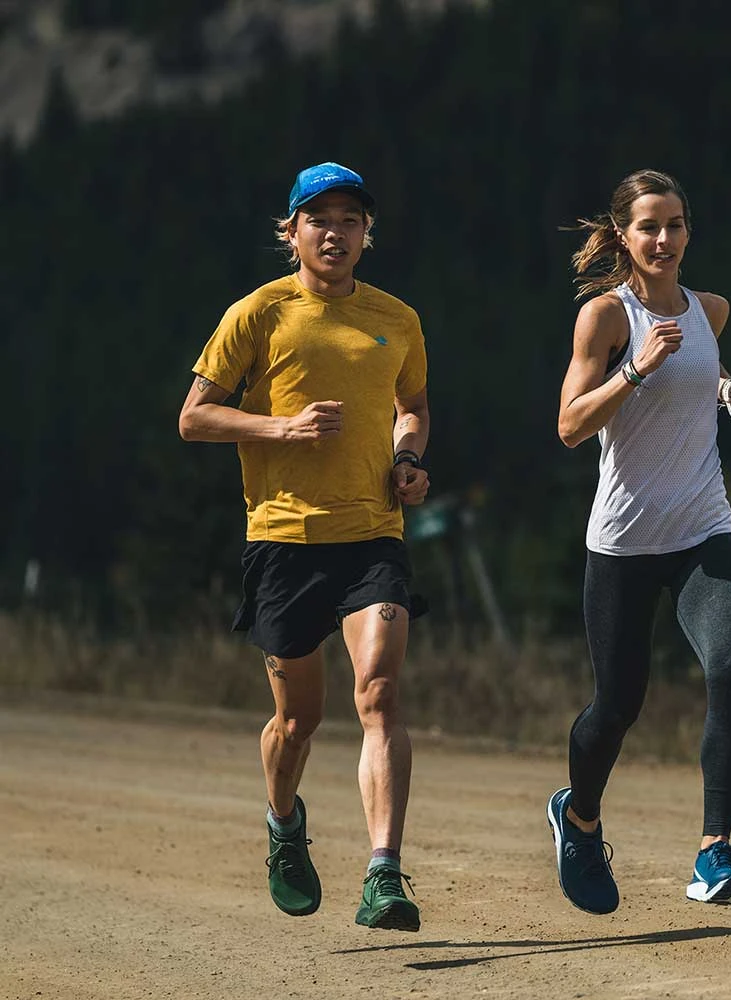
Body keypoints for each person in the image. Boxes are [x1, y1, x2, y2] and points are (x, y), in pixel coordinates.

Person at [178, 161, 430, 932]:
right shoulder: (258, 313)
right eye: (319, 219)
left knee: (379, 693)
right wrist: (280, 428)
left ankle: (383, 873)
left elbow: (413, 406)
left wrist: (408, 459)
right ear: (291, 232)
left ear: (367, 233)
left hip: (372, 534)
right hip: (284, 540)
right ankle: (284, 824)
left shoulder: (396, 318)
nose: (335, 233)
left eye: (350, 220)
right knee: (298, 724)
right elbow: (194, 417)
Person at [546, 169, 731, 915]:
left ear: (688, 231)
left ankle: (714, 852)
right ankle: (579, 818)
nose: (663, 239)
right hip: (625, 541)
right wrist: (635, 370)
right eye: (649, 227)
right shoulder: (606, 317)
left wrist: (730, 391)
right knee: (617, 705)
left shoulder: (711, 310)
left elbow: (699, 365)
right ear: (623, 235)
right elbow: (570, 425)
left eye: (675, 225)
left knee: (730, 667)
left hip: (703, 527)